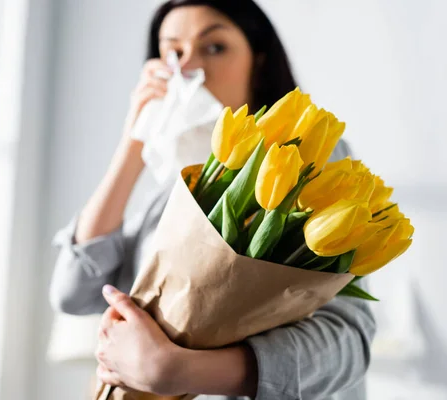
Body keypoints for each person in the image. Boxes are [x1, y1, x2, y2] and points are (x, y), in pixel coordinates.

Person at [49, 1, 375, 399]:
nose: (188, 67)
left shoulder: (306, 157)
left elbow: (348, 340)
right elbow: (73, 292)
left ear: (259, 60)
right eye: (172, 51)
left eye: (214, 47)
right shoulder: (176, 187)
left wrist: (183, 371)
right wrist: (134, 142)